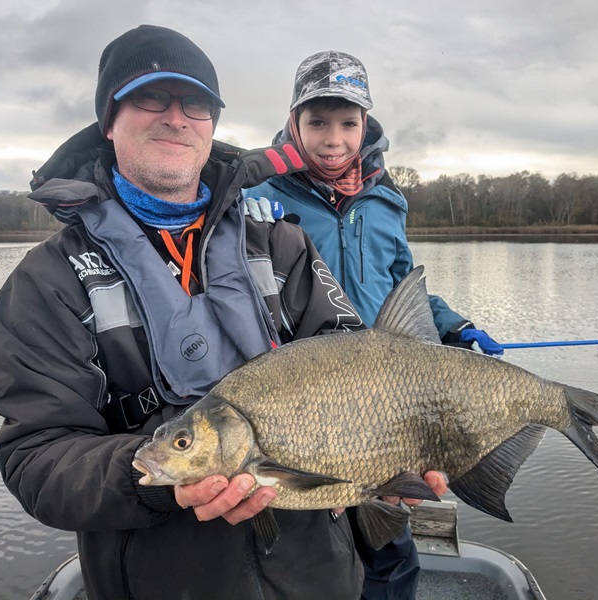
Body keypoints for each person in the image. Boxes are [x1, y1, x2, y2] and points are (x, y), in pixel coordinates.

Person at [0, 26, 446, 600]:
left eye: (196, 103)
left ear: (212, 124)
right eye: (150, 97)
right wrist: (151, 476)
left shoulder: (283, 246)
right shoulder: (45, 283)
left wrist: (397, 454)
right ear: (109, 120)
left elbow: (365, 365)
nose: (176, 118)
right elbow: (35, 458)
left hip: (320, 580)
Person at [244, 51, 504, 599]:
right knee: (313, 547)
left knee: (390, 552)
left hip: (386, 403)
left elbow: (403, 284)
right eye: (316, 122)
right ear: (294, 124)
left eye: (347, 122)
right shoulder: (259, 199)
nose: (332, 138)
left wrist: (456, 327)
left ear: (366, 126)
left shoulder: (388, 201)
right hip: (309, 405)